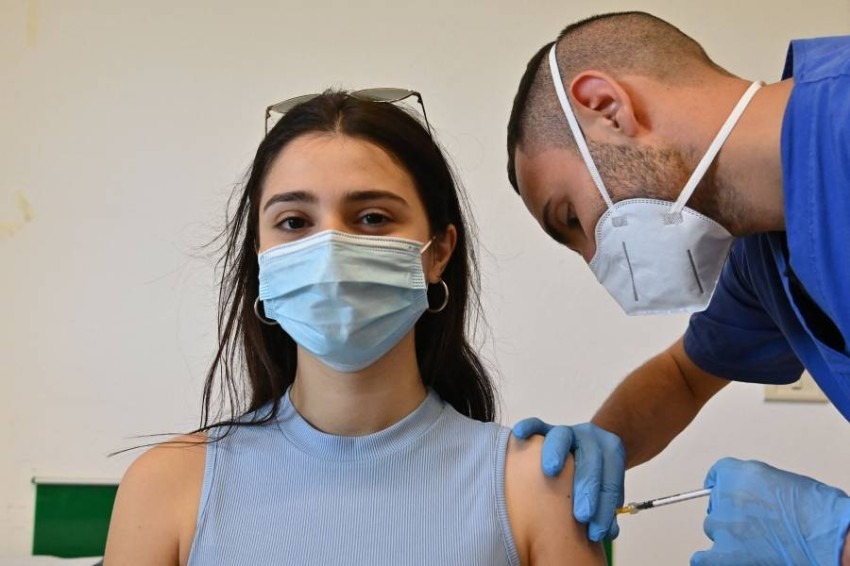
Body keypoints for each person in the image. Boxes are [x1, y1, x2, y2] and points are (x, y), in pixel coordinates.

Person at [103, 90, 605, 565]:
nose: (331, 250)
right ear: (262, 259)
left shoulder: (535, 487)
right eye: (295, 222)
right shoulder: (166, 488)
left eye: (371, 217)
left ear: (439, 252)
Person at [505, 10, 850, 565]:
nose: (596, 258)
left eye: (571, 216)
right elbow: (684, 377)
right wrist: (589, 455)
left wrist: (834, 545)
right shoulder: (766, 252)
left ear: (606, 108)